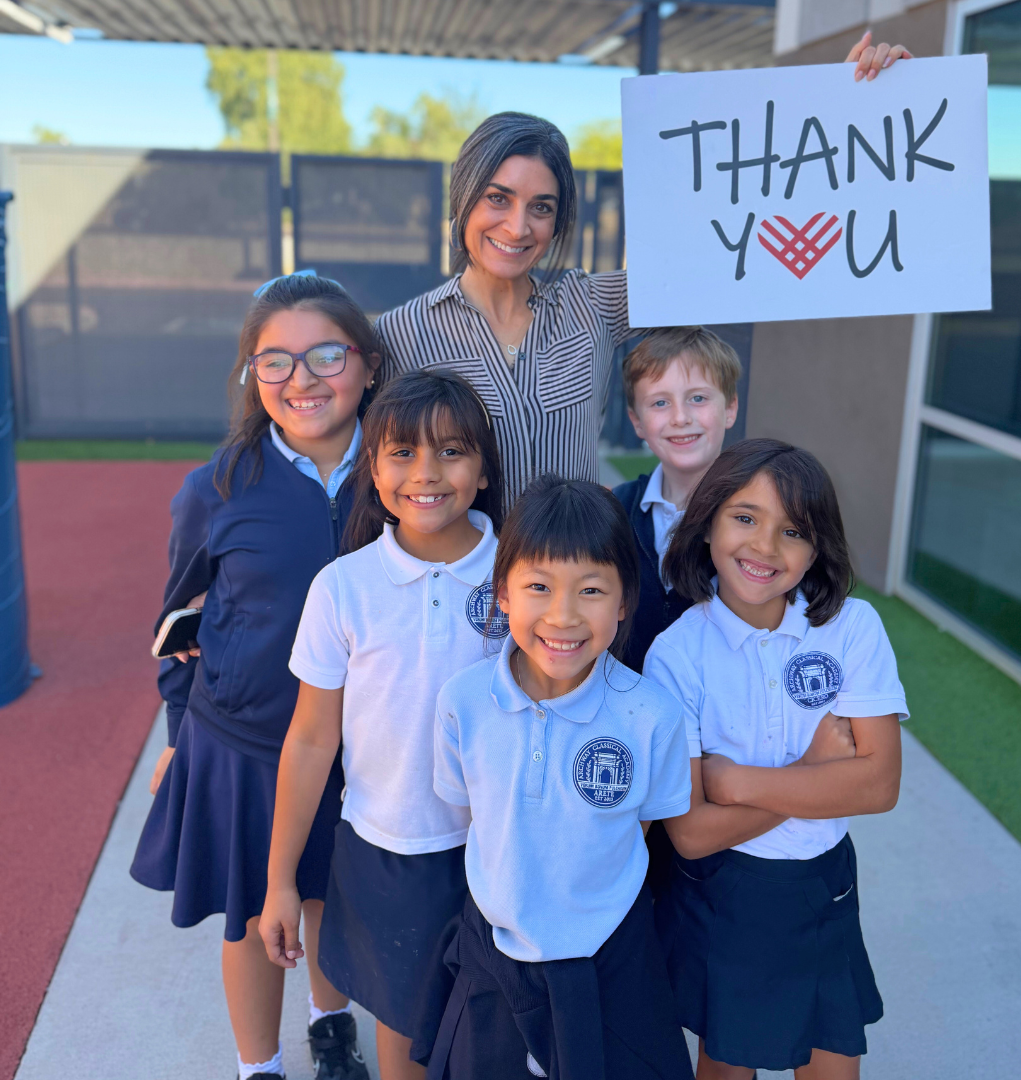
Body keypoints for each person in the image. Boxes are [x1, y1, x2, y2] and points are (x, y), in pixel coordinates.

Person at [372, 34, 912, 507]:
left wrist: (848, 108)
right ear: (463, 197)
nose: (518, 227)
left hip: (578, 591)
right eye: (498, 198)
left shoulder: (591, 305)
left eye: (541, 207)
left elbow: (736, 258)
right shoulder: (400, 333)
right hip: (467, 593)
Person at [130, 272, 380, 1080]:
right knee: (249, 916)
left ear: (368, 366)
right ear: (251, 374)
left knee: (329, 904)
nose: (301, 380)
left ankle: (330, 1024)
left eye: (325, 356)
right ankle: (258, 1068)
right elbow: (179, 625)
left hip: (362, 744)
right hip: (242, 746)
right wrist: (178, 733)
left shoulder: (403, 473)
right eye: (275, 361)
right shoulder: (217, 487)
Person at [259, 370, 504, 1080]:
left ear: (484, 469)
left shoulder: (524, 573)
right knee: (406, 1042)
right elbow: (310, 741)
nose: (426, 474)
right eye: (402, 453)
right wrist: (280, 880)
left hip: (498, 849)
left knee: (495, 1035)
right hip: (387, 852)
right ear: (373, 467)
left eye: (452, 452)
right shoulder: (343, 588)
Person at [645, 439, 908, 1080]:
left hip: (824, 887)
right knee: (728, 1063)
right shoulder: (676, 655)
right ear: (706, 520)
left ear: (818, 549)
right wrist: (812, 772)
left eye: (794, 531)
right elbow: (694, 834)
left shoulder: (851, 627)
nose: (764, 547)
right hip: (726, 896)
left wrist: (733, 781)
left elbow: (877, 786)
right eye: (745, 517)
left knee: (832, 1061)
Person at [418, 475, 694, 1079]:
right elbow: (473, 811)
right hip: (495, 950)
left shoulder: (652, 715)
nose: (563, 616)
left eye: (591, 590)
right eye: (539, 586)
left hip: (613, 956)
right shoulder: (463, 701)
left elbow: (643, 823)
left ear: (624, 603)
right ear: (502, 594)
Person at [612, 326, 742, 675]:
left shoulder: (756, 516)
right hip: (630, 713)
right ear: (637, 421)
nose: (680, 417)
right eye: (660, 402)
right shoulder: (615, 512)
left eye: (698, 398)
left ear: (730, 408)